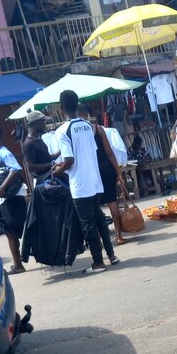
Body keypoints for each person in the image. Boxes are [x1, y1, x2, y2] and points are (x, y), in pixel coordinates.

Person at [51, 89, 119, 273]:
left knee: (88, 224)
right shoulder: (89, 125)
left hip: (79, 184)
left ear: (62, 107)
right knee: (98, 218)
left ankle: (98, 262)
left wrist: (57, 171)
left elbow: (69, 160)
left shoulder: (62, 130)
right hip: (94, 180)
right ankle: (111, 255)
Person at [77, 102, 128, 246]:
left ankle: (99, 239)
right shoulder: (98, 129)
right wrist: (118, 172)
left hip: (92, 170)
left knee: (96, 206)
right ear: (87, 114)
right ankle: (118, 236)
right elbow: (110, 153)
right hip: (106, 167)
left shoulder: (78, 134)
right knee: (112, 201)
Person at [0, 124, 26, 273]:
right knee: (10, 232)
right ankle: (18, 264)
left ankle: (19, 264)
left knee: (14, 232)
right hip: (7, 200)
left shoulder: (3, 153)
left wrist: (2, 187)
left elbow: (15, 169)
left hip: (13, 199)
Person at [21, 110, 54, 183]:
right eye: (43, 121)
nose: (45, 124)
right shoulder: (29, 143)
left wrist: (61, 150)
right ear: (36, 123)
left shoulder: (38, 139)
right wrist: (51, 164)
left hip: (49, 179)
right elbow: (31, 167)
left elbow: (47, 158)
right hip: (43, 182)